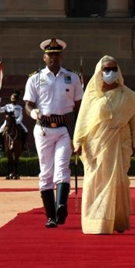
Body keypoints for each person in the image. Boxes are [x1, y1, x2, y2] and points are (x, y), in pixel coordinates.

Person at [73, 56, 135, 234]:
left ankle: (116, 221)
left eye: (113, 69)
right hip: (95, 145)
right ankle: (96, 223)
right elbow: (82, 121)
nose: (110, 72)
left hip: (121, 144)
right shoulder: (91, 95)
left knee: (118, 181)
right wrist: (78, 142)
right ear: (100, 72)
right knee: (95, 182)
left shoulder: (127, 96)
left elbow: (134, 122)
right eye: (106, 69)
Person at [24, 38, 84, 229]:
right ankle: (50, 216)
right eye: (50, 55)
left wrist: (79, 130)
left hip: (64, 128)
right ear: (44, 57)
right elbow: (28, 104)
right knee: (46, 171)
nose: (53, 58)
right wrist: (32, 112)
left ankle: (61, 206)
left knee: (62, 168)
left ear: (62, 56)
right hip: (43, 129)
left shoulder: (72, 78)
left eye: (57, 54)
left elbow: (79, 106)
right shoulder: (35, 78)